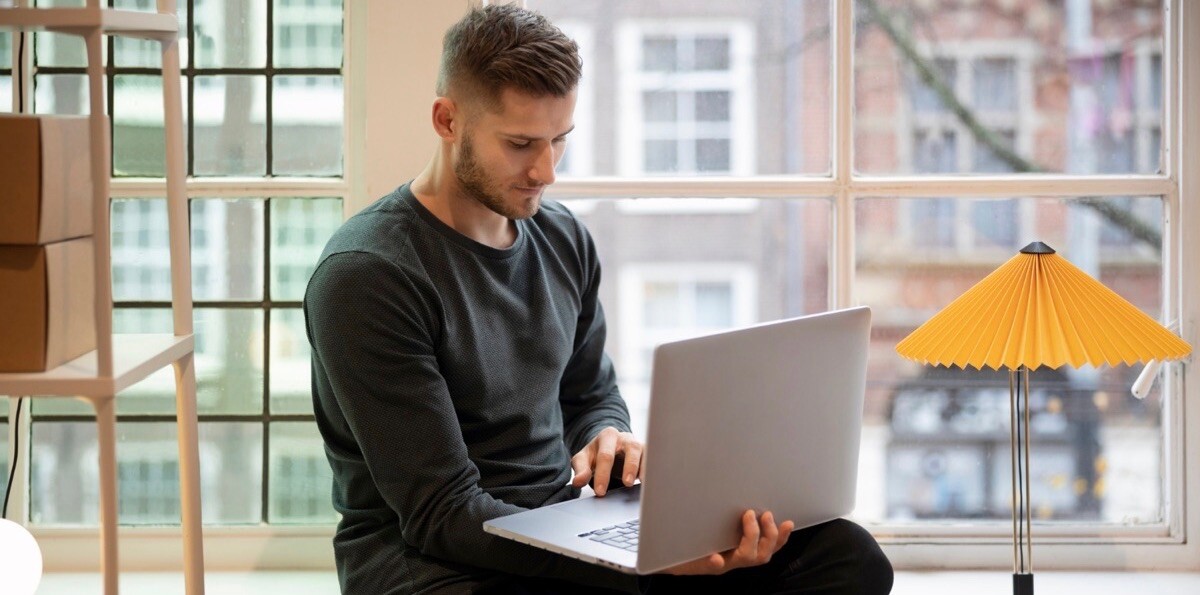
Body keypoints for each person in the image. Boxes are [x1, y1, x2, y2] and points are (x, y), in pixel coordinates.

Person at [304, 4, 893, 594]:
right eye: (520, 143)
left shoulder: (562, 238)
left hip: (567, 529)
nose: (546, 170)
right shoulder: (369, 276)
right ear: (446, 119)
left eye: (559, 140)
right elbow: (442, 514)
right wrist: (634, 564)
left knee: (845, 556)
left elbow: (589, 392)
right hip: (441, 563)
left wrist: (605, 435)